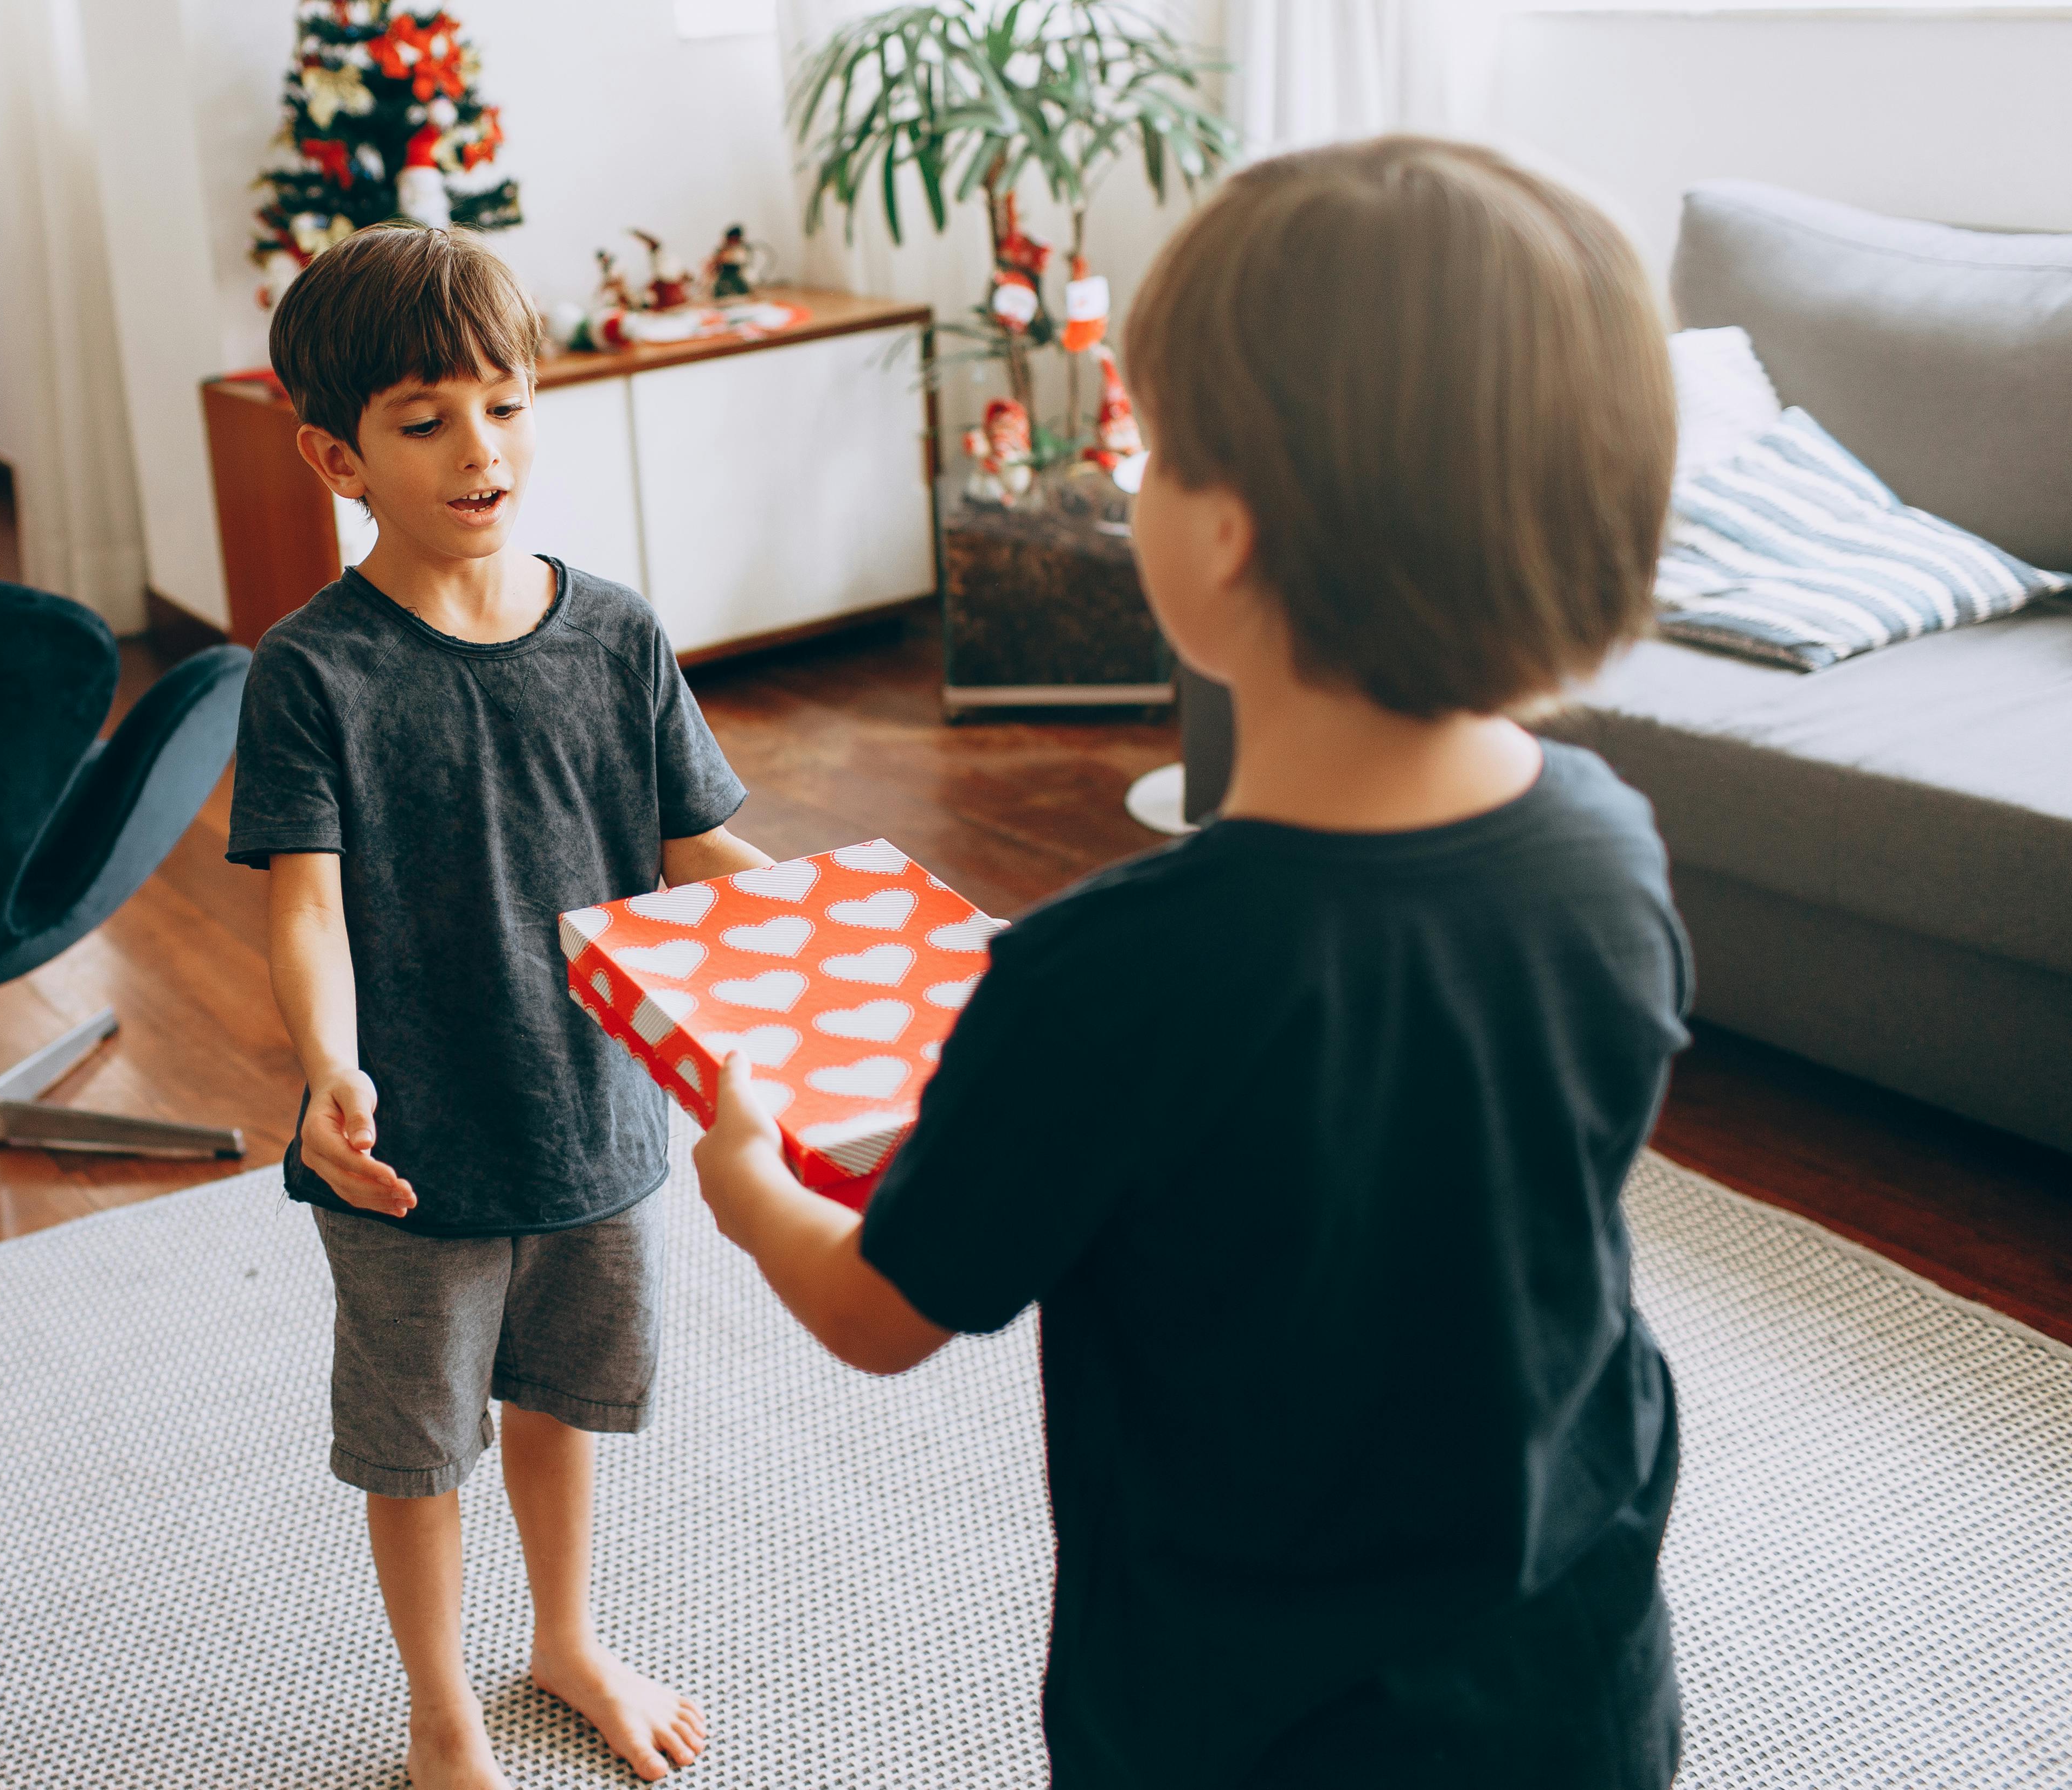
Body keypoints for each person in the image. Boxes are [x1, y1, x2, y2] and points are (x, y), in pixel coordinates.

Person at [692, 137, 1690, 1787]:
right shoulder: (1608, 844)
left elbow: (886, 1314)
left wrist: (747, 1183)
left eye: (1141, 449)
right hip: (1571, 1676)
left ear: (1222, 536)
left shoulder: (1109, 975)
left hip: (1245, 1720)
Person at [233, 221, 771, 1789]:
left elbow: (696, 847)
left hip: (595, 1113)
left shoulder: (613, 633)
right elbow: (306, 902)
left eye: (508, 403)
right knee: (420, 1448)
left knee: (560, 1397)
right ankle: (437, 1704)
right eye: (427, 420)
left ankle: (567, 1636)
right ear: (338, 456)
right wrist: (329, 1065)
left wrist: (846, 914)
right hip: (410, 1148)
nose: (484, 448)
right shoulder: (313, 671)